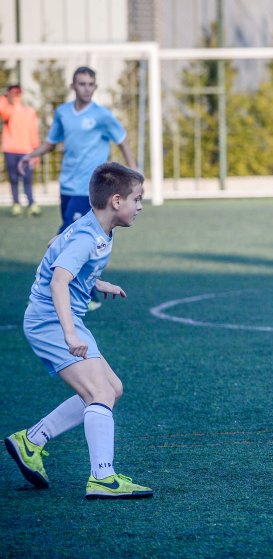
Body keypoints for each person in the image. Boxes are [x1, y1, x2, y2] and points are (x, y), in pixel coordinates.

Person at [4, 162, 152, 500]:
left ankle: (31, 440)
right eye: (137, 199)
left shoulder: (94, 230)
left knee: (112, 388)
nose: (140, 207)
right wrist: (70, 334)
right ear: (116, 201)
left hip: (63, 318)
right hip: (51, 321)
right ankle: (102, 477)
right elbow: (58, 281)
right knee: (99, 393)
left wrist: (97, 283)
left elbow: (60, 257)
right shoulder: (87, 236)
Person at [18, 66, 137, 311]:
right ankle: (84, 291)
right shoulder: (63, 113)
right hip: (67, 186)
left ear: (95, 87)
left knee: (63, 238)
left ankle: (68, 292)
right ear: (73, 86)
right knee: (77, 241)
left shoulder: (102, 115)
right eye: (82, 84)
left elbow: (123, 142)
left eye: (91, 84)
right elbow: (51, 144)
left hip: (91, 190)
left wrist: (135, 176)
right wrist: (30, 155)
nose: (86, 88)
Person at [0, 84, 41, 216]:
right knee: (13, 178)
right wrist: (5, 96)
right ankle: (16, 203)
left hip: (26, 151)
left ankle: (31, 203)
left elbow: (34, 132)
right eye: (13, 93)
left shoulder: (30, 112)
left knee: (27, 178)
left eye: (17, 93)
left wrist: (36, 152)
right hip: (10, 150)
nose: (15, 96)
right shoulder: (8, 111)